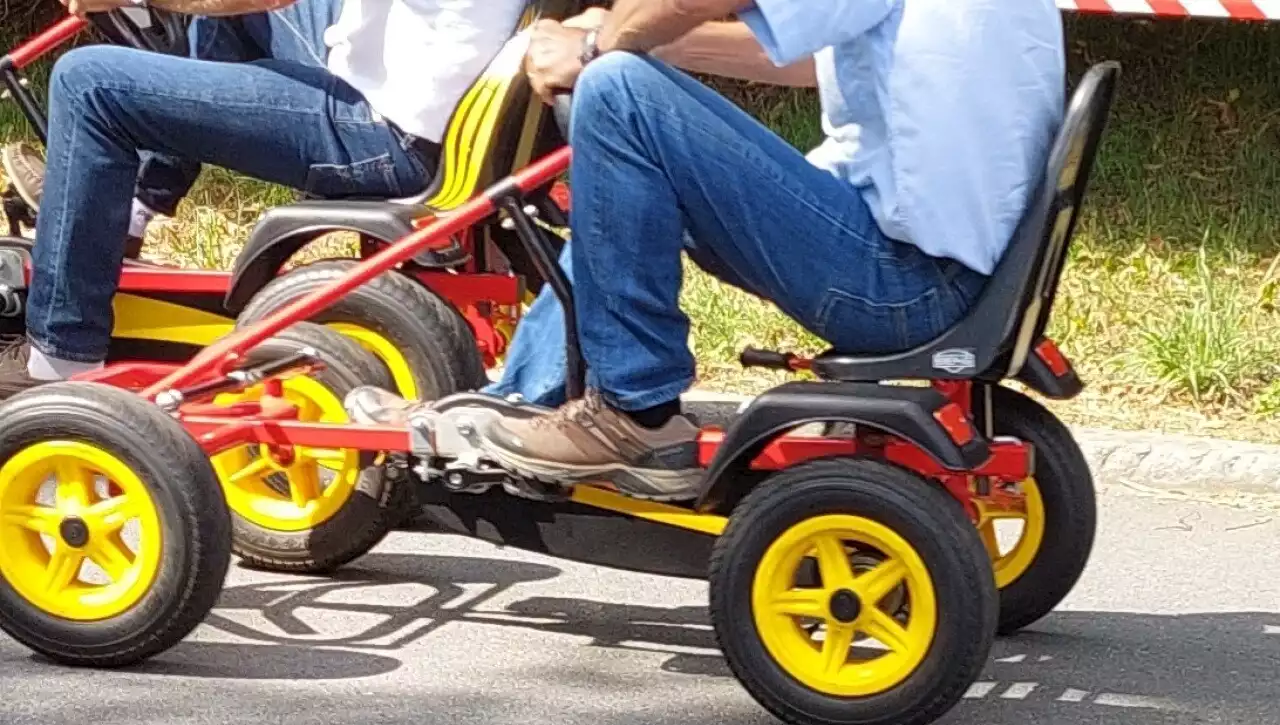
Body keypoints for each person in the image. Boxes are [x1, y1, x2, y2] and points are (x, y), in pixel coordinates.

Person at [347, 0, 1067, 502]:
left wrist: (599, 47)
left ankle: (631, 413)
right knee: (642, 142)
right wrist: (642, 36)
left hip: (900, 285)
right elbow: (804, 56)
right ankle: (517, 403)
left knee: (618, 94)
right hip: (965, 276)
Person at [0, 0, 527, 396]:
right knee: (224, 19)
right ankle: (133, 208)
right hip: (435, 103)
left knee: (85, 80)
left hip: (383, 132)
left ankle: (60, 355)